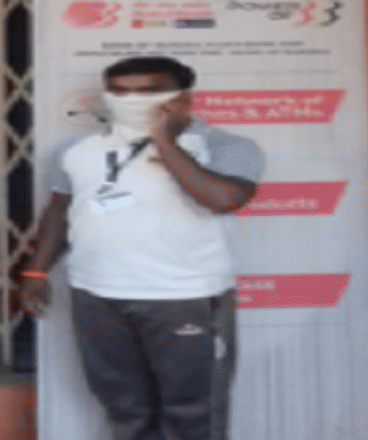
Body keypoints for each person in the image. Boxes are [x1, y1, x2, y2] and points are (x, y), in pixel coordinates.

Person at [21, 56, 264, 440]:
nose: (131, 101)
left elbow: (223, 199)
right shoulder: (76, 148)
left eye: (148, 92)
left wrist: (163, 141)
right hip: (96, 297)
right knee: (125, 408)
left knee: (193, 412)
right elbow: (59, 211)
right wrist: (36, 270)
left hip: (185, 297)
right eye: (119, 92)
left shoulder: (225, 145)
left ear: (183, 99)